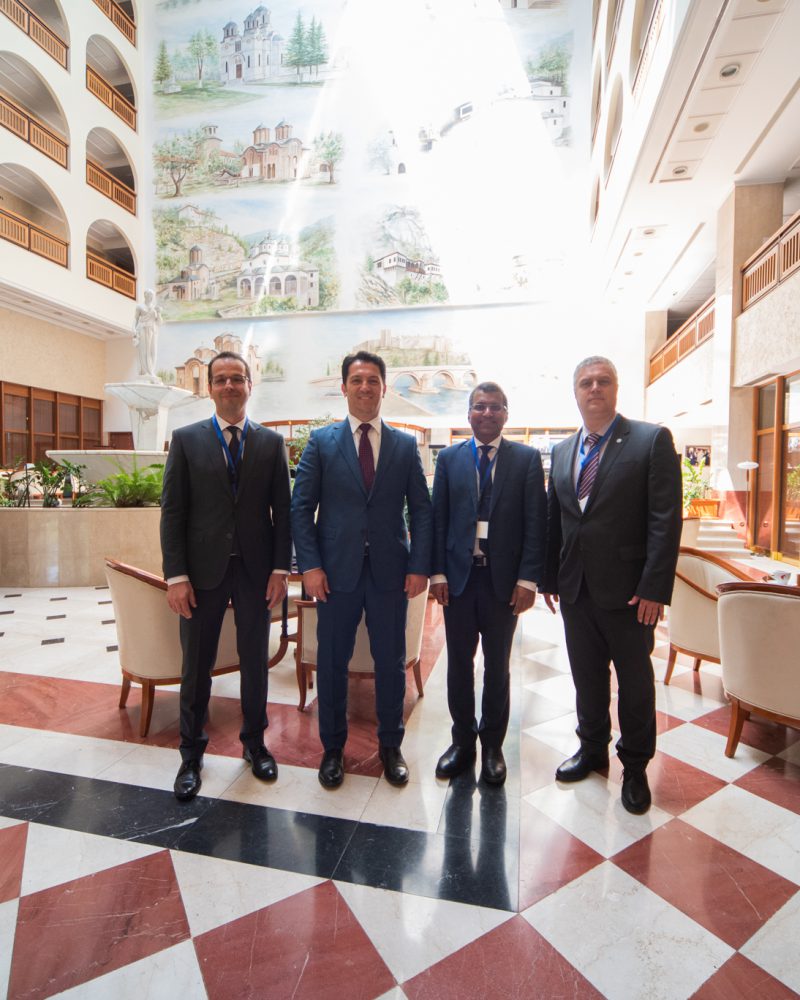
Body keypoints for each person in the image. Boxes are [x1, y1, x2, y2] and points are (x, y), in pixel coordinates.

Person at [543, 356, 682, 814]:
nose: (594, 388)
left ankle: (636, 766)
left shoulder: (650, 440)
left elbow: (665, 520)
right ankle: (592, 749)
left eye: (603, 381)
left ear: (616, 388)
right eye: (586, 382)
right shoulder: (563, 450)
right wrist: (550, 577)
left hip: (630, 594)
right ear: (575, 392)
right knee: (586, 677)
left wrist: (655, 588)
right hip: (576, 590)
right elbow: (557, 519)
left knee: (635, 684)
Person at [291, 350, 432, 789]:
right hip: (335, 575)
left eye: (373, 380)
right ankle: (332, 750)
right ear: (344, 387)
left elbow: (422, 510)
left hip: (391, 573)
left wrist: (419, 565)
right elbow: (301, 508)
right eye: (357, 380)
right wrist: (310, 566)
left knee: (391, 662)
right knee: (332, 661)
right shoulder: (321, 442)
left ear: (384, 388)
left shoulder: (404, 446)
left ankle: (391, 746)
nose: (365, 387)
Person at [161, 351, 292, 801]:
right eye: (221, 379)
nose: (229, 386)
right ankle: (190, 755)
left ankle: (255, 744)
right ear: (210, 388)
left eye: (237, 378)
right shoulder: (186, 440)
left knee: (256, 660)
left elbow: (283, 513)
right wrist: (176, 576)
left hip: (256, 571)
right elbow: (173, 513)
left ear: (250, 385)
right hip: (201, 573)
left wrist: (280, 570)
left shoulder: (271, 444)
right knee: (196, 665)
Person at [431, 382, 546, 785]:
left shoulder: (526, 460)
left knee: (497, 667)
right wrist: (438, 573)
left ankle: (492, 746)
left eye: (495, 407)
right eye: (480, 406)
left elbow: (536, 523)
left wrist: (528, 580)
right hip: (459, 582)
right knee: (459, 666)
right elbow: (438, 519)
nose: (487, 413)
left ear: (506, 414)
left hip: (503, 584)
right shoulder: (449, 458)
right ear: (469, 414)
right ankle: (462, 742)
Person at [133, 289, 162, 381]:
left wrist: (159, 313)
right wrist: (133, 328)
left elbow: (159, 322)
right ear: (145, 296)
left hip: (153, 330)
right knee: (144, 351)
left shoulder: (155, 308)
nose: (151, 297)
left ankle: (151, 371)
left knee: (153, 351)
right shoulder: (140, 307)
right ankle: (145, 372)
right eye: (150, 295)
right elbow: (135, 319)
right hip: (143, 329)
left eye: (152, 295)